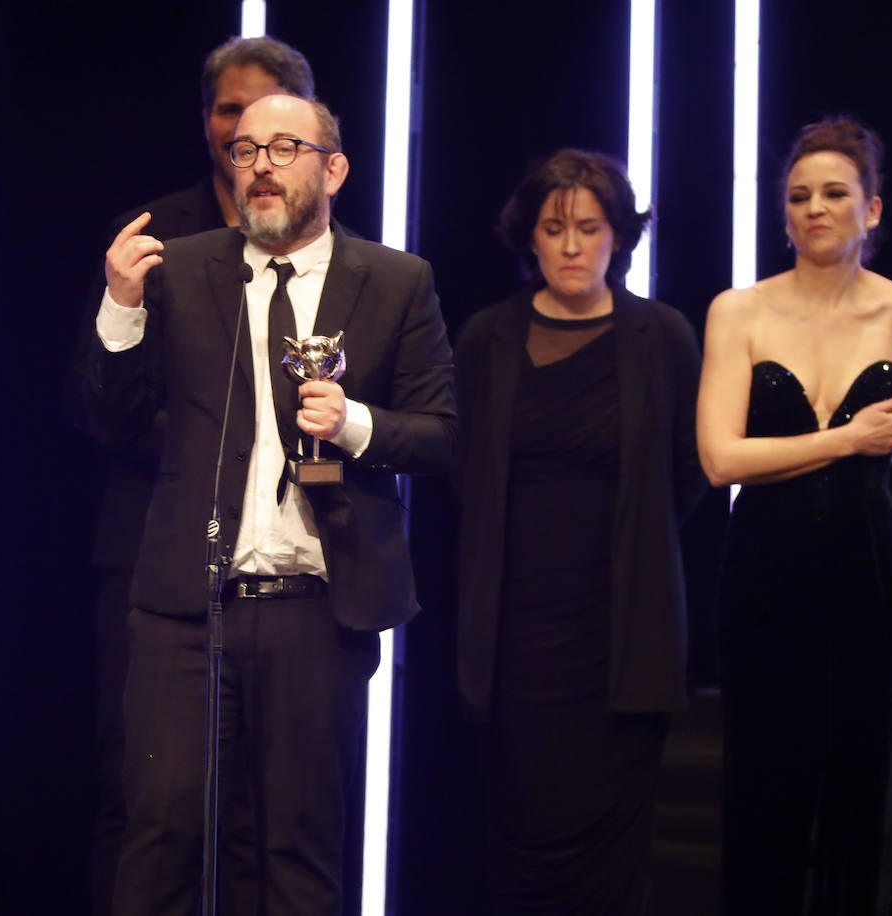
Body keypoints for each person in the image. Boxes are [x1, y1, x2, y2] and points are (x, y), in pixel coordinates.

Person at [80, 93, 456, 915]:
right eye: (245, 150)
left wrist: (356, 423)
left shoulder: (396, 281)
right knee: (163, 835)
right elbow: (110, 420)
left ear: (334, 168)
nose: (259, 167)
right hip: (188, 607)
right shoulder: (179, 271)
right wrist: (117, 310)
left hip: (316, 609)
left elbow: (439, 434)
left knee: (295, 847)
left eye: (284, 148)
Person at [80, 35, 314, 914]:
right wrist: (121, 308)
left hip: (287, 575)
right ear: (208, 123)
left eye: (267, 122)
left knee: (270, 813)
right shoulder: (154, 237)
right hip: (155, 553)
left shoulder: (352, 266)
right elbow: (103, 407)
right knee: (146, 803)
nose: (244, 137)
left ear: (307, 142)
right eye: (228, 113)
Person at [696, 117, 892, 914]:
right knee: (766, 782)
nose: (815, 208)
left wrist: (890, 442)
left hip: (870, 573)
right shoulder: (741, 311)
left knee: (865, 787)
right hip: (764, 572)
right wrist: (851, 440)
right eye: (799, 196)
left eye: (835, 193)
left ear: (871, 209)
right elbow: (722, 460)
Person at [454, 149, 707, 913]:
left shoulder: (662, 337)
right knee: (519, 840)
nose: (571, 246)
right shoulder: (484, 340)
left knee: (616, 861)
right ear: (528, 236)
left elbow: (687, 476)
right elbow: (459, 474)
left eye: (589, 228)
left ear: (619, 238)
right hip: (515, 637)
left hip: (624, 633)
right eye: (554, 227)